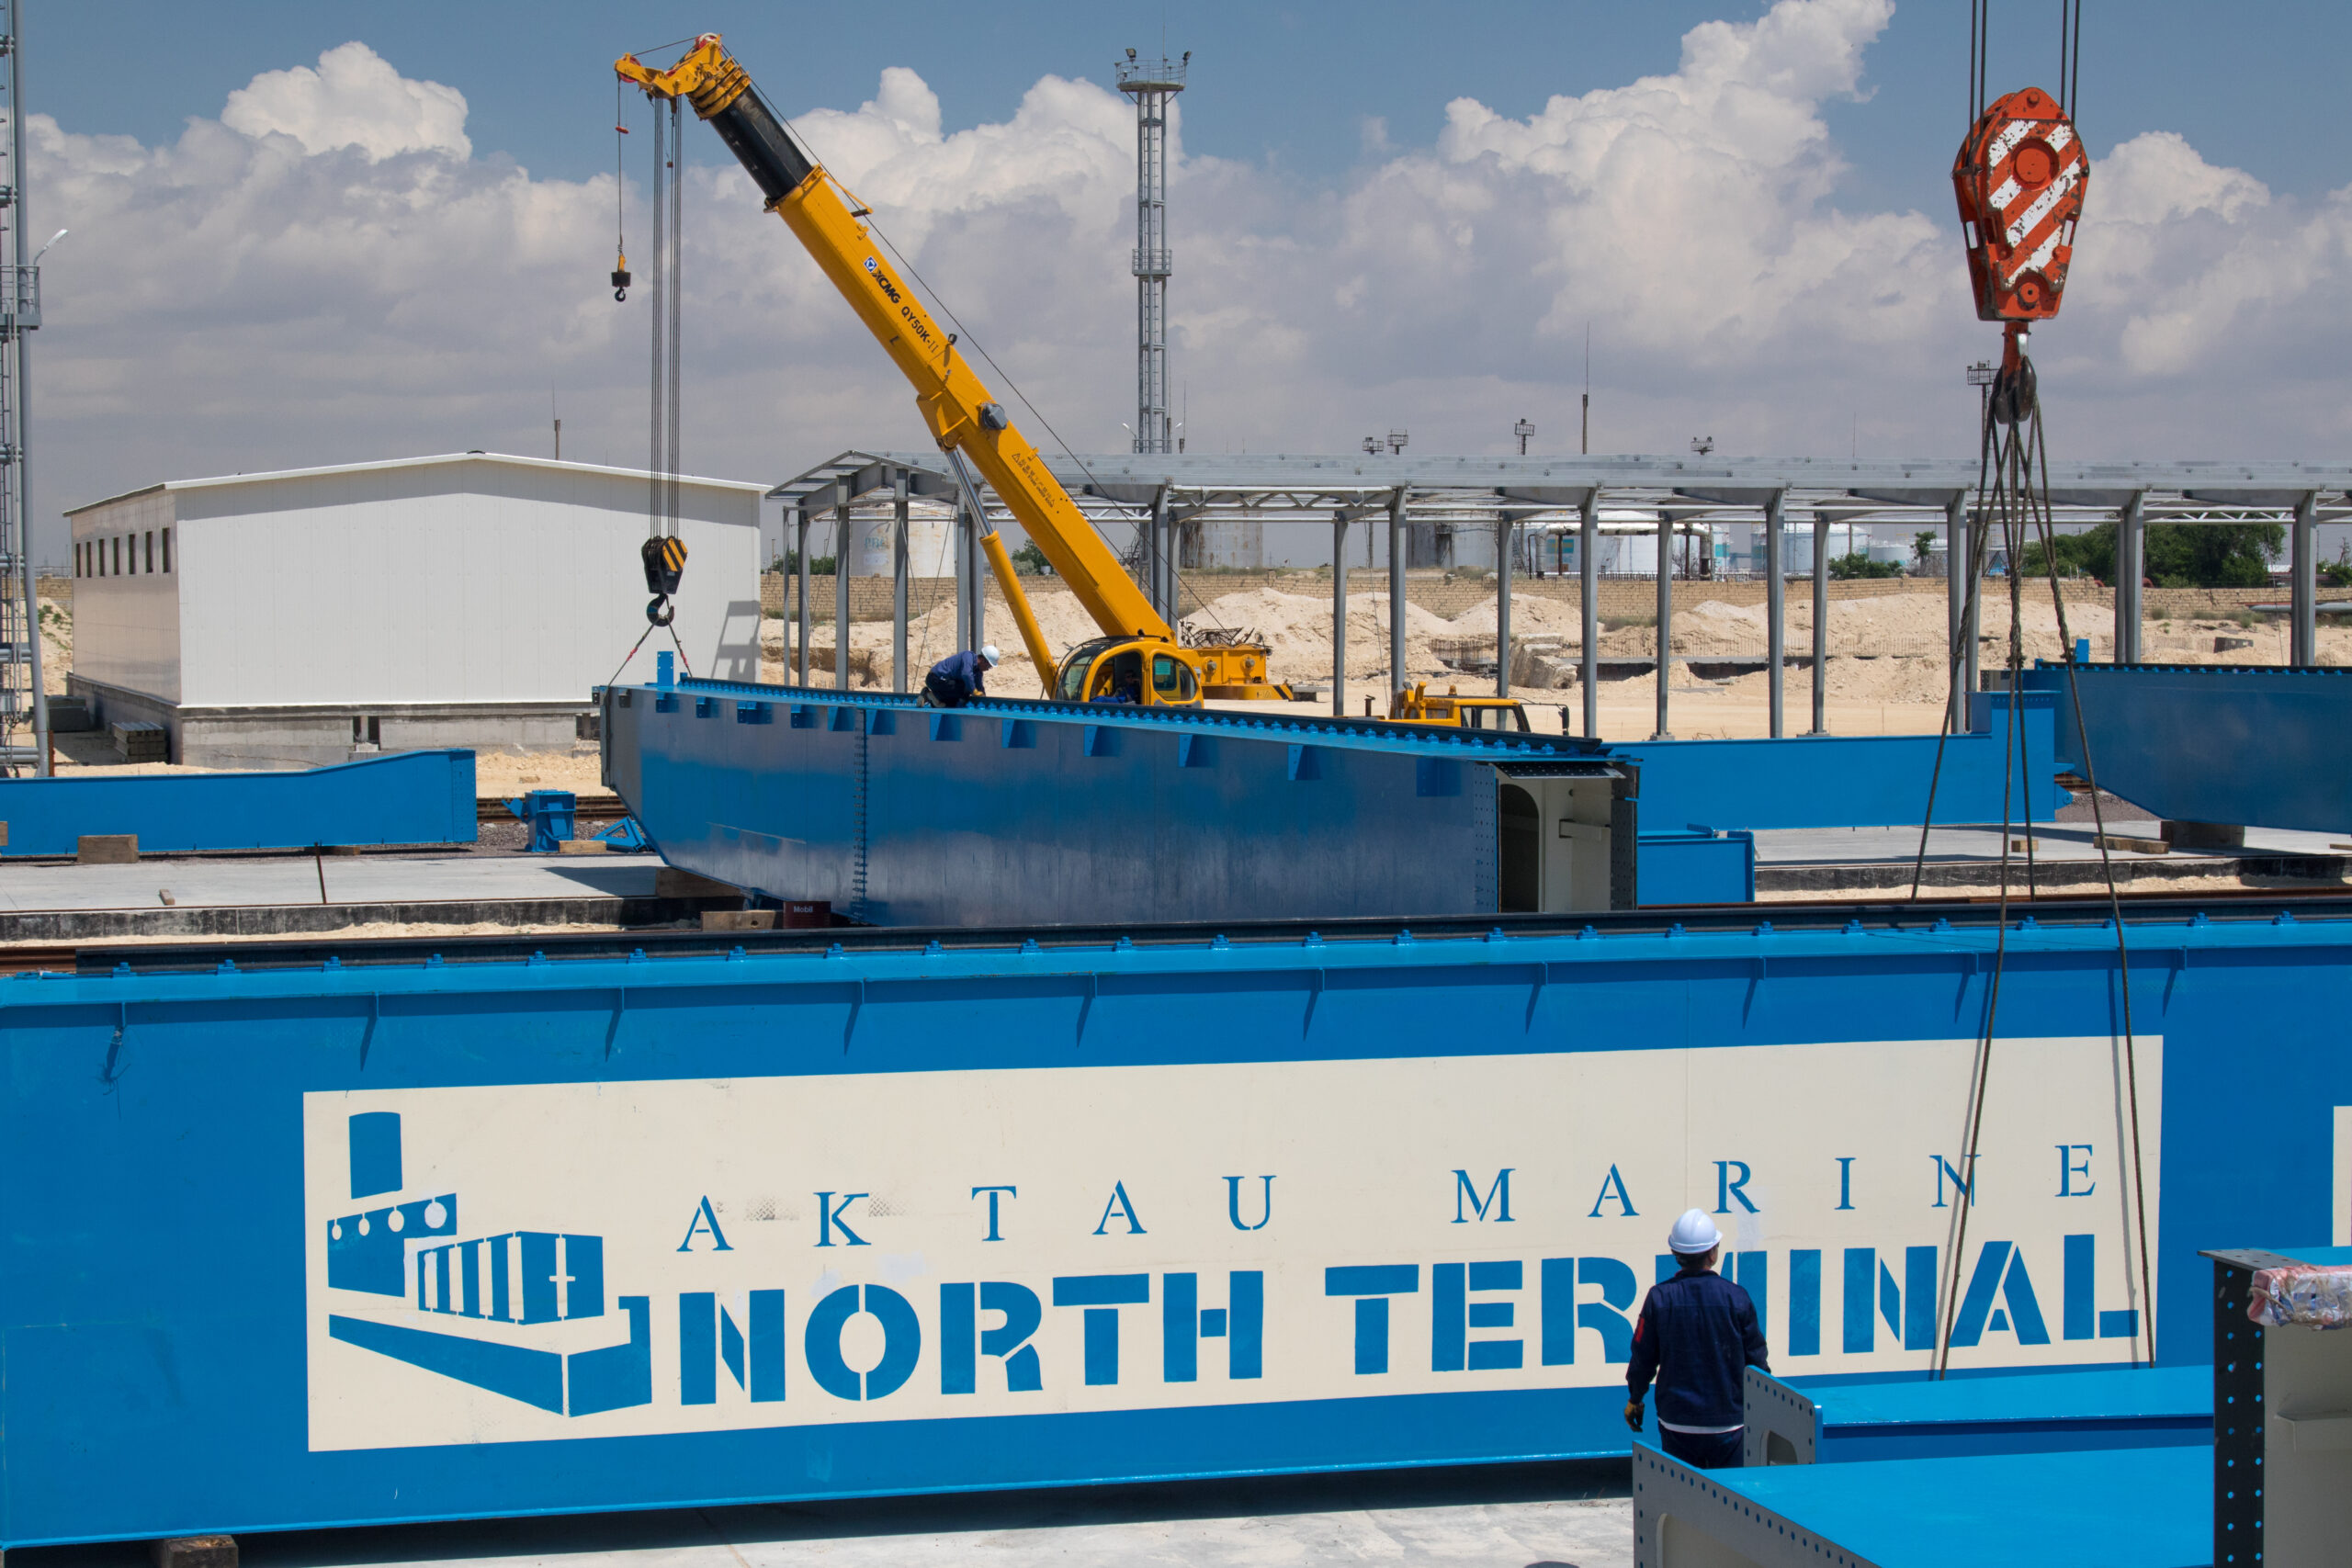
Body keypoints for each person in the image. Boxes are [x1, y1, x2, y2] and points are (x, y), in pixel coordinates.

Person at [1624, 1209, 1769, 1470]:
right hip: (1729, 1423)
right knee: (1732, 1498)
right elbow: (1757, 1361)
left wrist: (1635, 1398)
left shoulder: (1659, 1298)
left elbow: (1643, 1356)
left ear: (1675, 1255)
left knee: (1683, 1500)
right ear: (1713, 1253)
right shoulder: (1736, 1297)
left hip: (1678, 1421)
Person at [922, 645, 998, 708]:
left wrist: (984, 699)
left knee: (953, 703)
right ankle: (931, 695)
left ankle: (932, 700)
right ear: (983, 660)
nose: (988, 669)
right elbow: (966, 675)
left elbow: (980, 688)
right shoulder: (968, 656)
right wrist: (974, 691)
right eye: (989, 667)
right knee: (962, 688)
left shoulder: (978, 673)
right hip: (934, 679)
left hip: (945, 683)